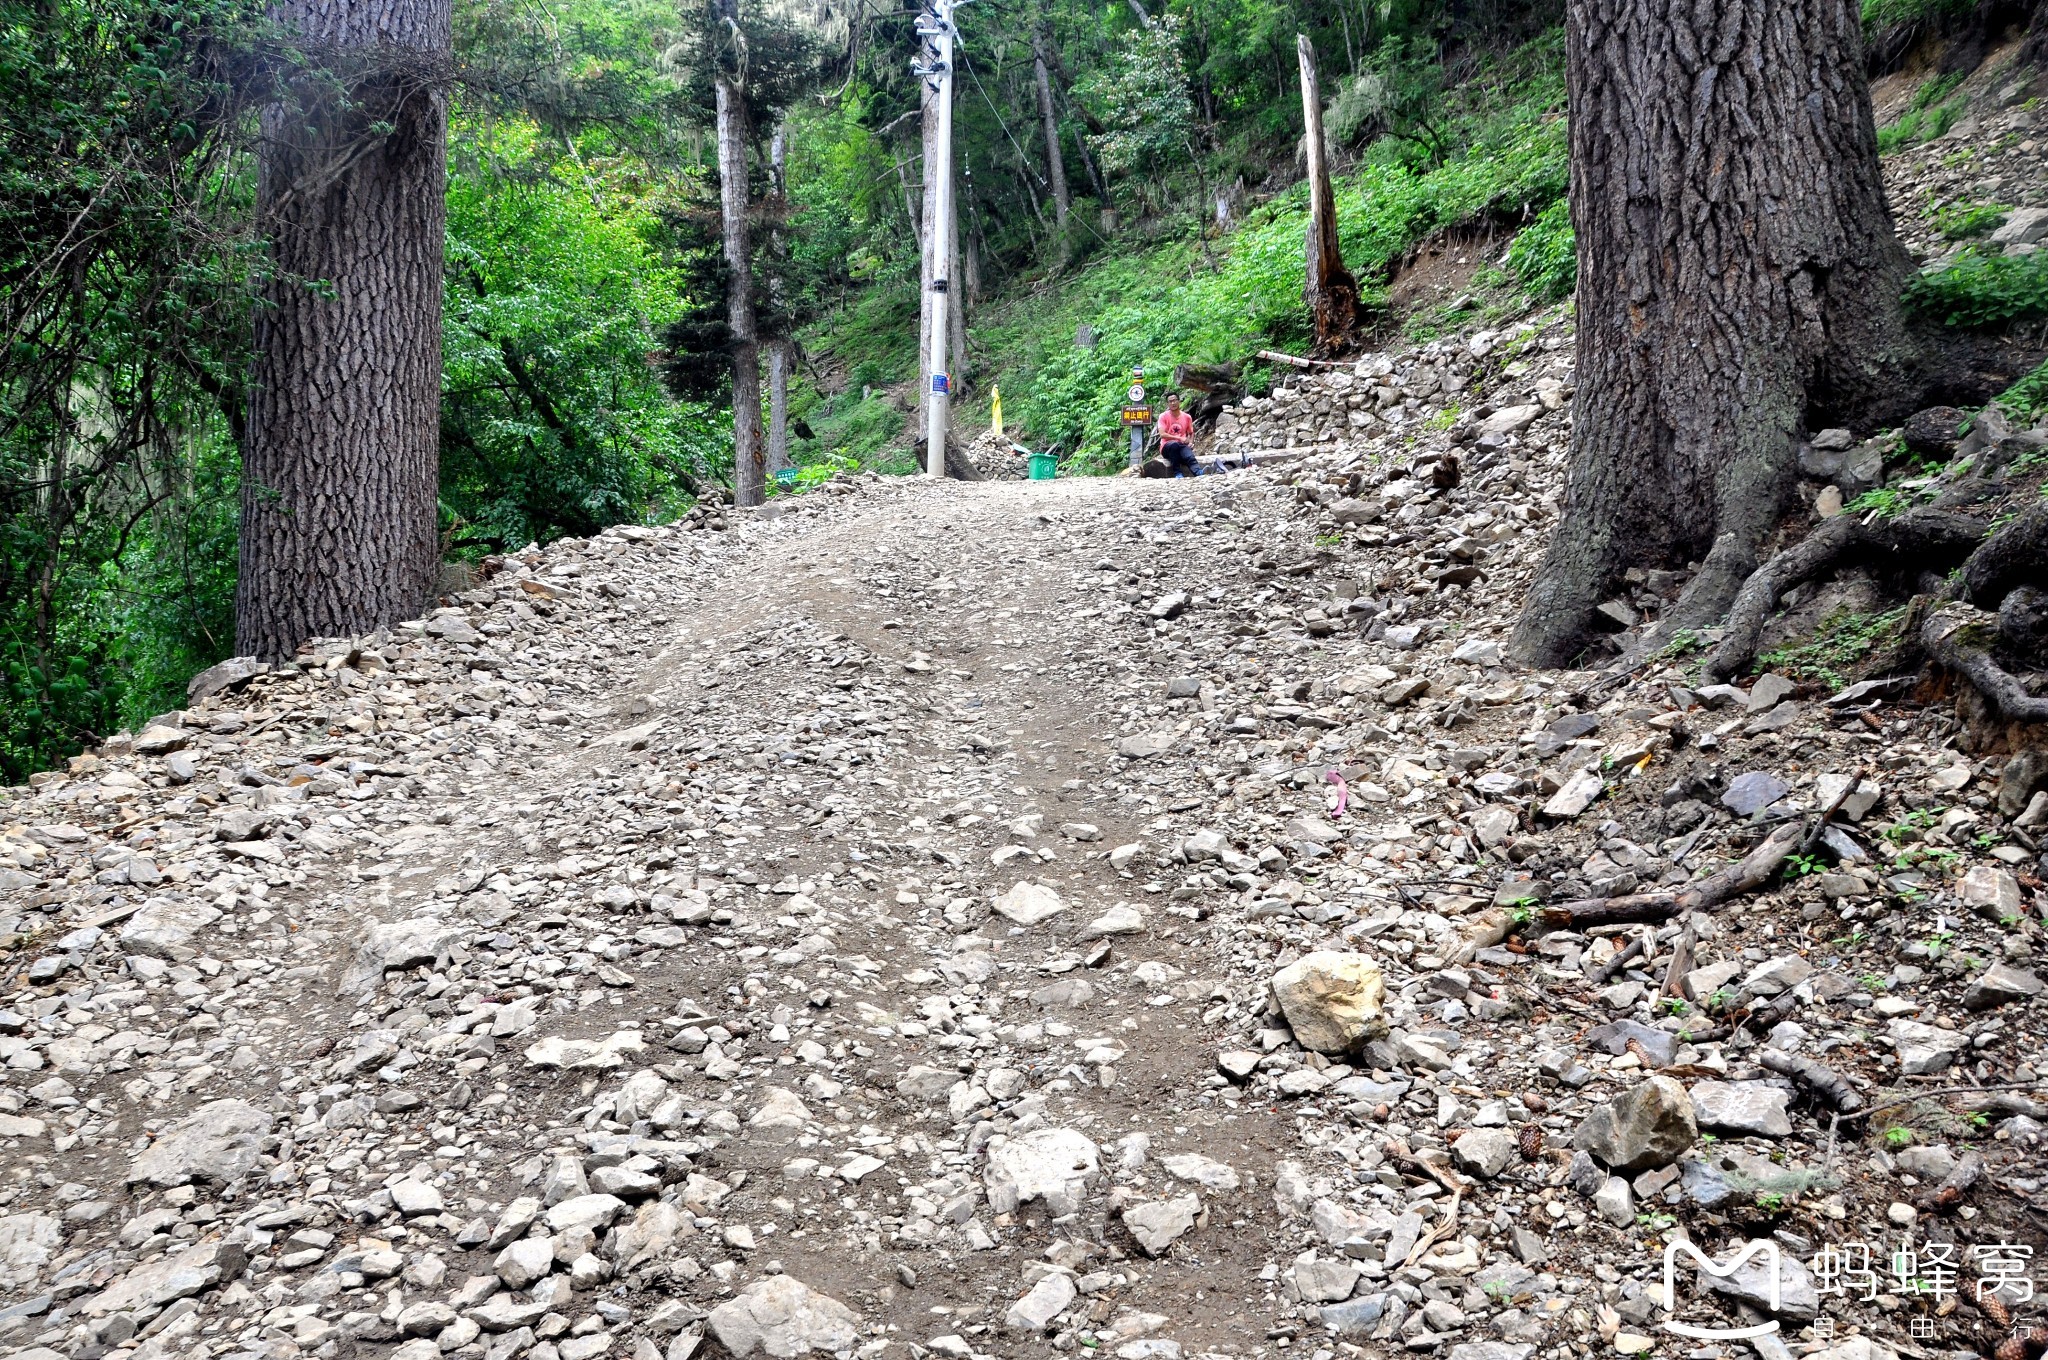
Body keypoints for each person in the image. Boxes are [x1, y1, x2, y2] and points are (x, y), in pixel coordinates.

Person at [1157, 392, 1197, 476]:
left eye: (1174, 400)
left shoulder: (1187, 417)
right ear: (1167, 404)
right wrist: (1179, 438)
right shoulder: (1163, 416)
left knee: (1189, 456)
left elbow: (1191, 432)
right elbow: (1162, 434)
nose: (1173, 403)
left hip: (1181, 445)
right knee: (1174, 444)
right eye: (1170, 401)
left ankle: (1199, 472)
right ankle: (1177, 473)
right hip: (1166, 447)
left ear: (1179, 401)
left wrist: (1191, 442)